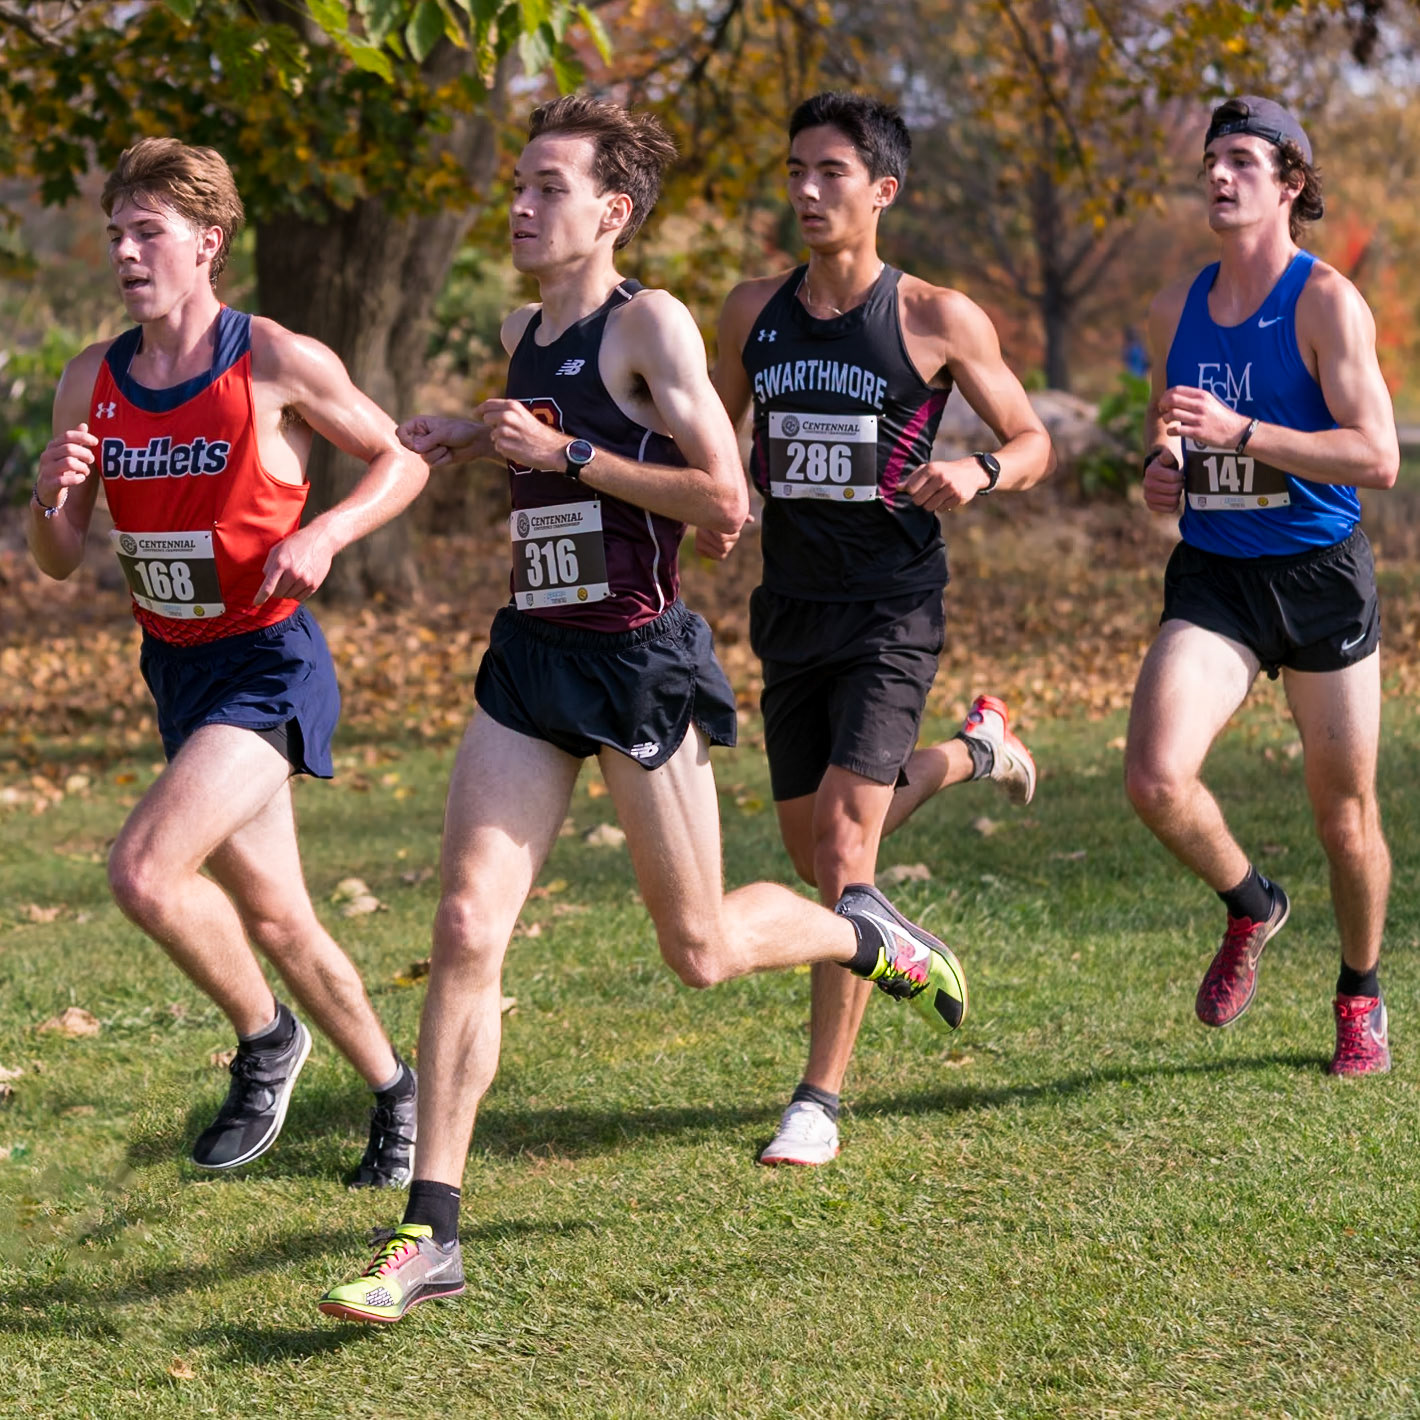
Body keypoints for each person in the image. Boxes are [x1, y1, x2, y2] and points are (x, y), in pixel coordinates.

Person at [318, 94, 969, 1325]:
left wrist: (566, 458)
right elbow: (556, 429)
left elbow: (723, 496)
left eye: (548, 187)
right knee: (464, 924)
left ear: (612, 211)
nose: (520, 205)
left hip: (633, 661)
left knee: (700, 951)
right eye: (518, 183)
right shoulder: (521, 328)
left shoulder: (651, 321)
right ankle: (429, 1228)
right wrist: (477, 436)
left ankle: (866, 938)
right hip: (532, 656)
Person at [28, 138, 429, 1183]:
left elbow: (401, 457)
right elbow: (58, 558)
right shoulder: (90, 380)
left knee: (145, 871)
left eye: (147, 232)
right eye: (115, 233)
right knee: (281, 920)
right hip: (177, 669)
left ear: (208, 242)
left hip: (268, 661)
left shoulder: (276, 359)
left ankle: (266, 1040)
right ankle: (399, 1093)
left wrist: (328, 533)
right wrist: (46, 492)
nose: (125, 252)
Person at [705, 91, 1055, 1166]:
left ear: (883, 191)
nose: (808, 191)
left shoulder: (936, 317)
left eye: (832, 173)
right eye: (796, 170)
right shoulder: (751, 312)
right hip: (791, 607)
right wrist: (713, 502)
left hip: (893, 608)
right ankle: (976, 750)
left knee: (842, 858)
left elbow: (1034, 438)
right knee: (815, 851)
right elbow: (709, 435)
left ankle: (816, 1100)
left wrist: (979, 469)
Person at [1125, 97, 1399, 1076]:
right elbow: (1165, 427)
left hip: (1319, 578)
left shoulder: (1325, 301)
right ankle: (1251, 903)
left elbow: (1376, 457)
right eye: (1212, 158)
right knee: (1155, 777)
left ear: (1290, 185)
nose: (1218, 174)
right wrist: (1159, 467)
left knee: (1344, 819)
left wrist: (1243, 432)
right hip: (1216, 577)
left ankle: (1360, 990)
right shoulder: (1175, 307)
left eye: (1242, 159)